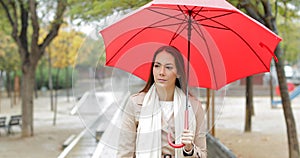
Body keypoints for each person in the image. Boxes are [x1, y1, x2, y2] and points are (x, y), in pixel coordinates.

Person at [117, 45, 207, 158]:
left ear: (178, 73)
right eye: (157, 66)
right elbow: (125, 152)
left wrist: (189, 150)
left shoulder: (193, 107)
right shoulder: (136, 103)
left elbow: (203, 154)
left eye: (168, 67)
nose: (161, 72)